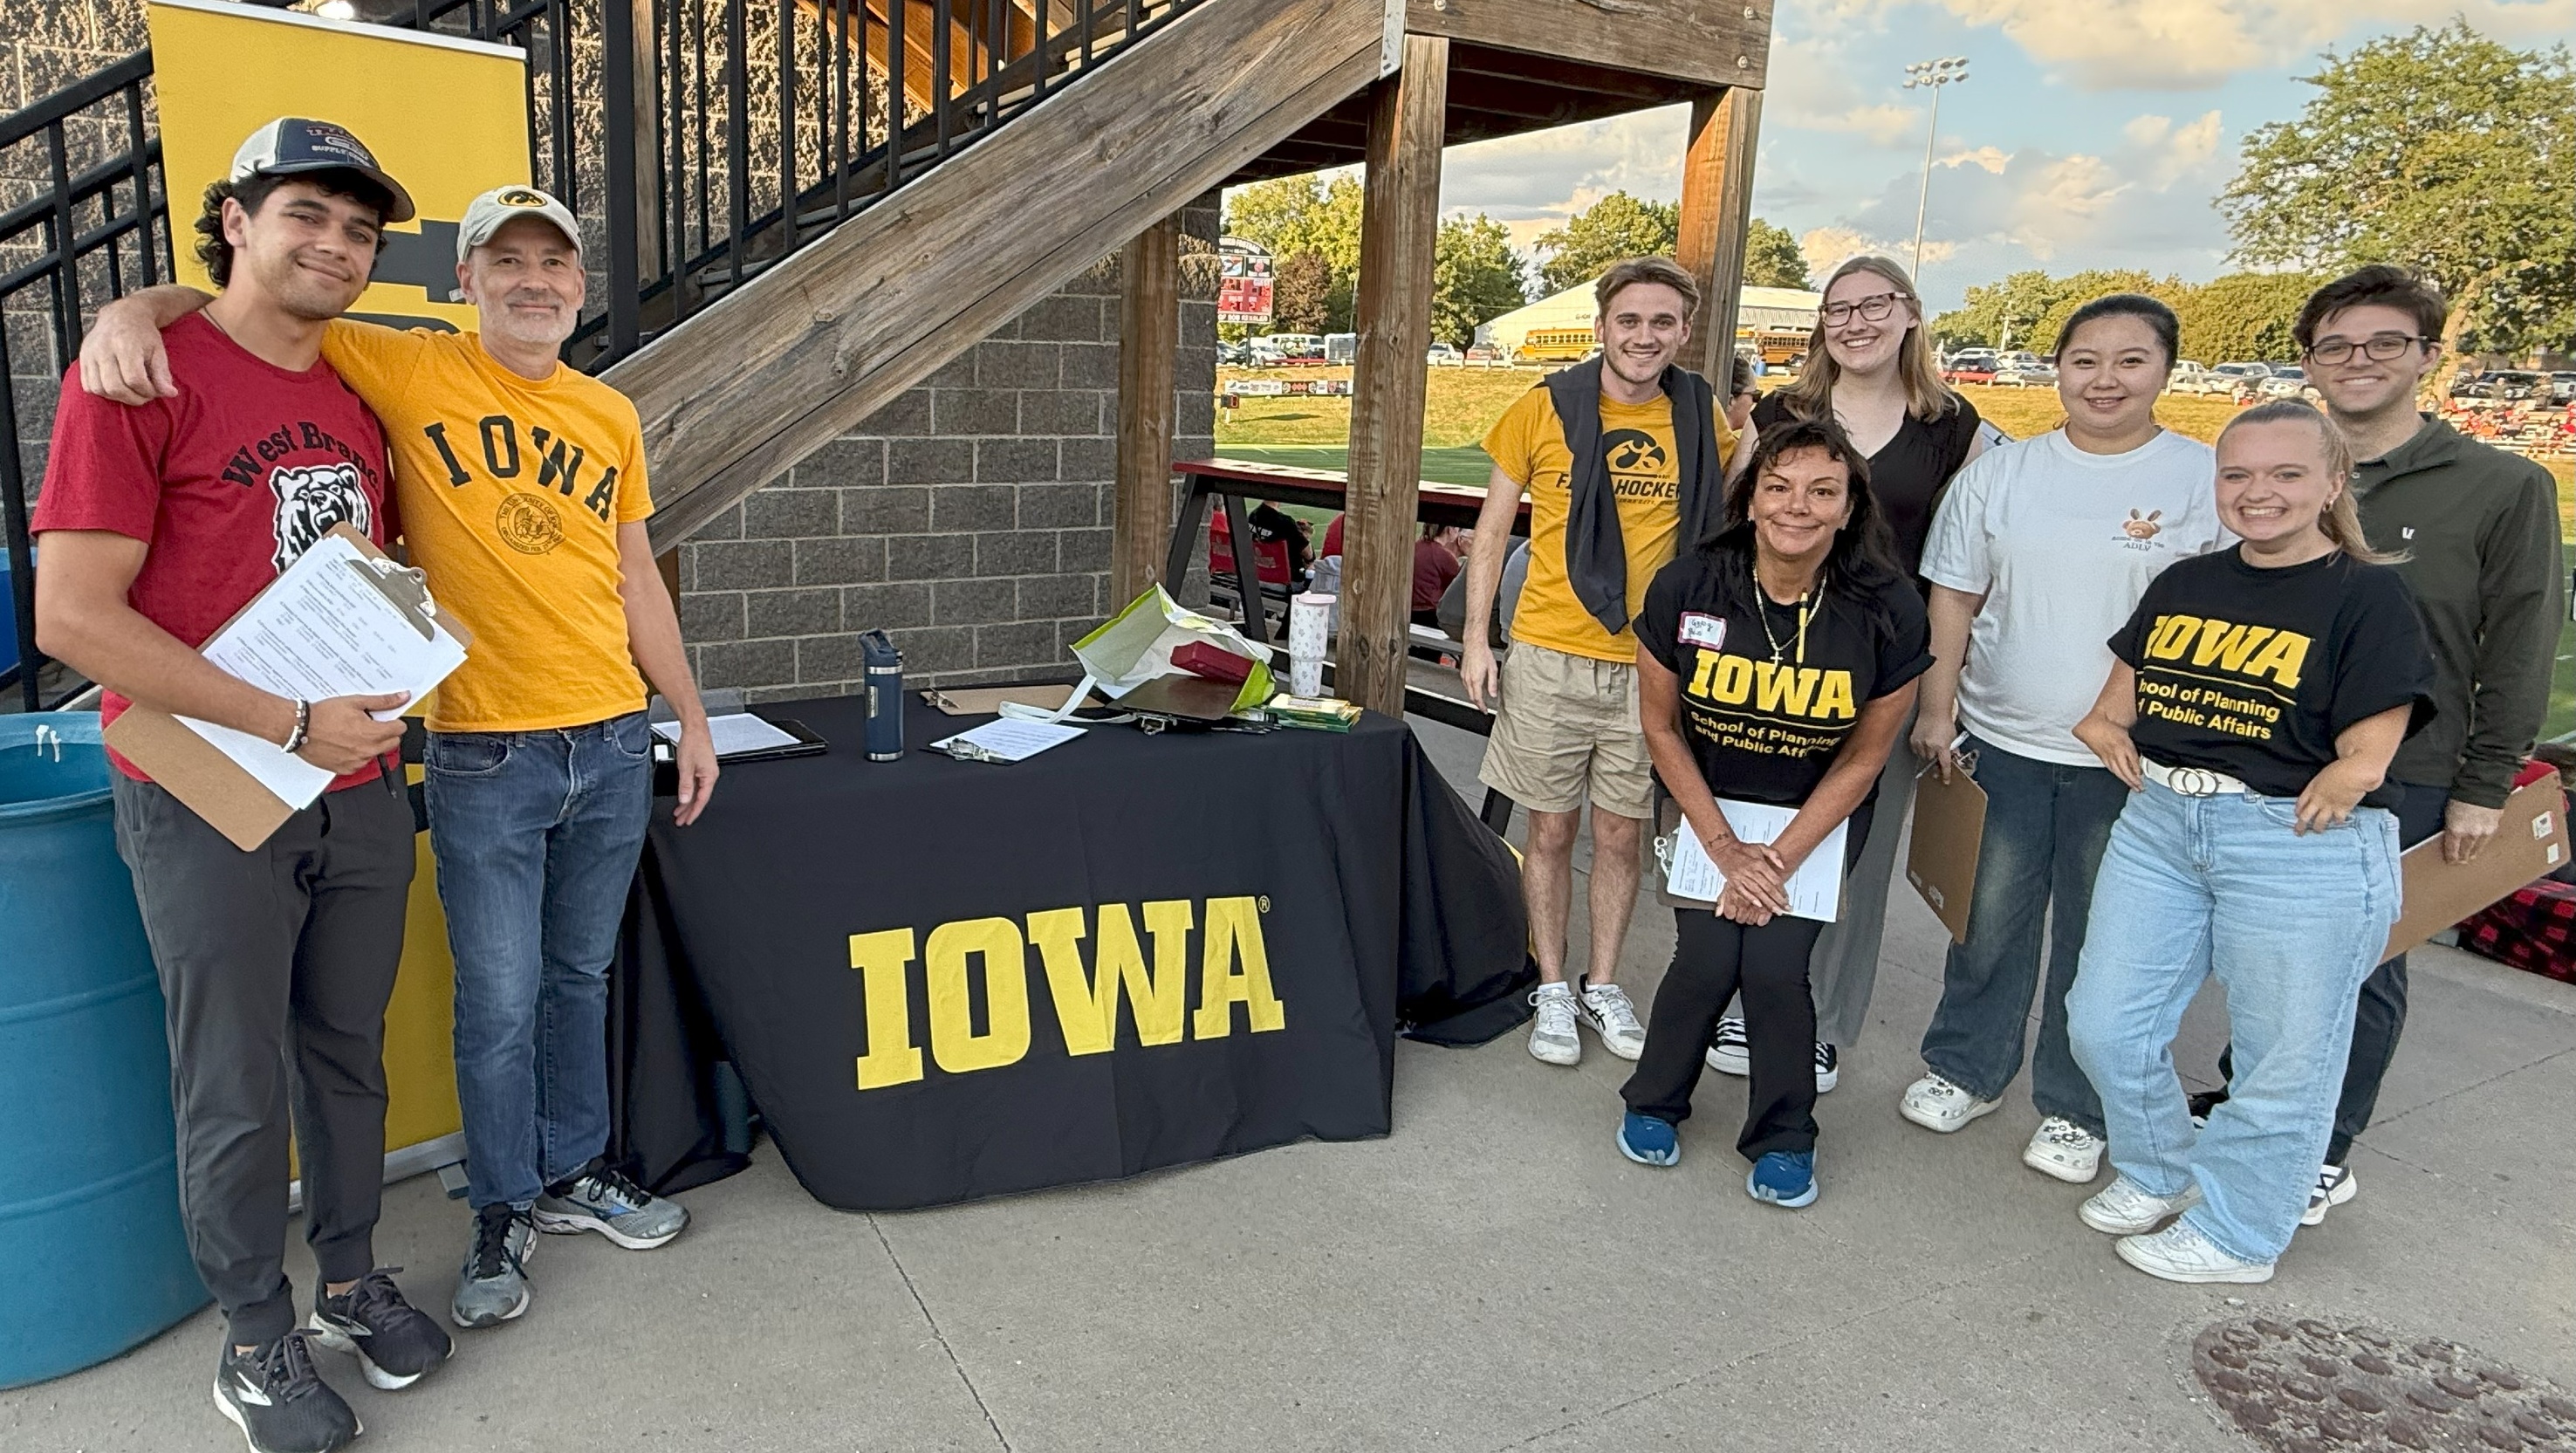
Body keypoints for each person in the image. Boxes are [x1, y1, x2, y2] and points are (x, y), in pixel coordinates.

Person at [85, 184, 723, 1333]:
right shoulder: (411, 367)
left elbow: (634, 575)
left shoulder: (608, 414)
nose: (535, 282)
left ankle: (574, 1169)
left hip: (613, 738)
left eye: (556, 264)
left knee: (579, 977)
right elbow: (262, 300)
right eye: (507, 262)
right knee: (501, 999)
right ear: (465, 281)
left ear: (581, 283)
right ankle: (501, 1203)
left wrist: (689, 712)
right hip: (484, 751)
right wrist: (133, 308)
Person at [34, 118, 449, 1453]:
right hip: (208, 781)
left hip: (357, 780)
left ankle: (351, 1275)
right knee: (234, 1075)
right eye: (306, 215)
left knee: (348, 1053)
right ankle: (256, 1337)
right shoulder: (137, 378)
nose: (335, 244)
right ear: (234, 219)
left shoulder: (351, 394)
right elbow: (71, 617)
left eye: (359, 227)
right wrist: (284, 716)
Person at [2183, 267, 2564, 1224]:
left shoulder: (2499, 485)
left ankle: (2323, 1143)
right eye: (2336, 345)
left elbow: (2520, 644)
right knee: (2271, 955)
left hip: (2409, 775)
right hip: (2270, 762)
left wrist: (2485, 787)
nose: (2359, 361)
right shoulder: (2283, 479)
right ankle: (2247, 1104)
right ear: (2308, 360)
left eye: (2385, 342)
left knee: (2360, 964)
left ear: (2429, 356)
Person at [2065, 401, 2430, 1283]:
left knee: (2284, 1059)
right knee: (2105, 1024)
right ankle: (2160, 1171)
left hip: (2293, 840)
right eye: (2238, 475)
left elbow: (2369, 754)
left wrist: (2334, 781)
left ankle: (2239, 1234)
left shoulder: (2367, 592)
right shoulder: (2187, 581)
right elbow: (2115, 701)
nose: (2257, 492)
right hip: (2162, 822)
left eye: (2285, 474)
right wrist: (2108, 731)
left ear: (2332, 484)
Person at [1902, 293, 2228, 1183]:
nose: (2105, 379)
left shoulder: (2204, 481)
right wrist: (1938, 712)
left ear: (2165, 369)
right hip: (2004, 741)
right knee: (1988, 925)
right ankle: (1966, 1067)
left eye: (2130, 360)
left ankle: (2077, 1106)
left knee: (2104, 941)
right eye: (2086, 360)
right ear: (2059, 369)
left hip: (2135, 764)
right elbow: (1954, 602)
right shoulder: (2002, 476)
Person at [1617, 417, 1928, 1209]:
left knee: (1775, 967)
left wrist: (1777, 857)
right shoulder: (1690, 583)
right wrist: (1722, 846)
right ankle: (1653, 1101)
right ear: (1750, 499)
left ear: (1850, 506)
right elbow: (1660, 723)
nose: (1798, 506)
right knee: (1707, 959)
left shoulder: (1887, 605)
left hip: (1814, 817)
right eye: (1779, 486)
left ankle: (1786, 1135)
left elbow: (1865, 755)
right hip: (1705, 802)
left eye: (1823, 491)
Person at [1702, 254, 1984, 1094]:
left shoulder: (1955, 427)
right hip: (1772, 659)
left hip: (1882, 668)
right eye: (1839, 309)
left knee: (1854, 853)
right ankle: (1746, 999)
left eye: (1874, 305)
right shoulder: (1783, 411)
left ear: (1910, 313)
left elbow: (1959, 577)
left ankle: (1822, 1016)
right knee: (1761, 826)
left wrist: (1938, 706)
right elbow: (1730, 528)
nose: (1855, 322)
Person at [1461, 257, 1737, 1067]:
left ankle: (1602, 979)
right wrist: (1479, 638)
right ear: (1602, 327)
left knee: (1621, 832)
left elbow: (1729, 506)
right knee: (1550, 827)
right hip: (1553, 647)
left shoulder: (1700, 413)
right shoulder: (1543, 408)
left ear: (1683, 331)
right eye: (1629, 320)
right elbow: (1489, 532)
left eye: (1662, 322)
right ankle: (1551, 982)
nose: (1644, 336)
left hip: (1653, 659)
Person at [1413, 524, 1463, 627]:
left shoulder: (1415, 547)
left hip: (1409, 611)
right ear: (1450, 529)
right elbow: (1459, 588)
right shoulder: (1444, 556)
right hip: (1430, 615)